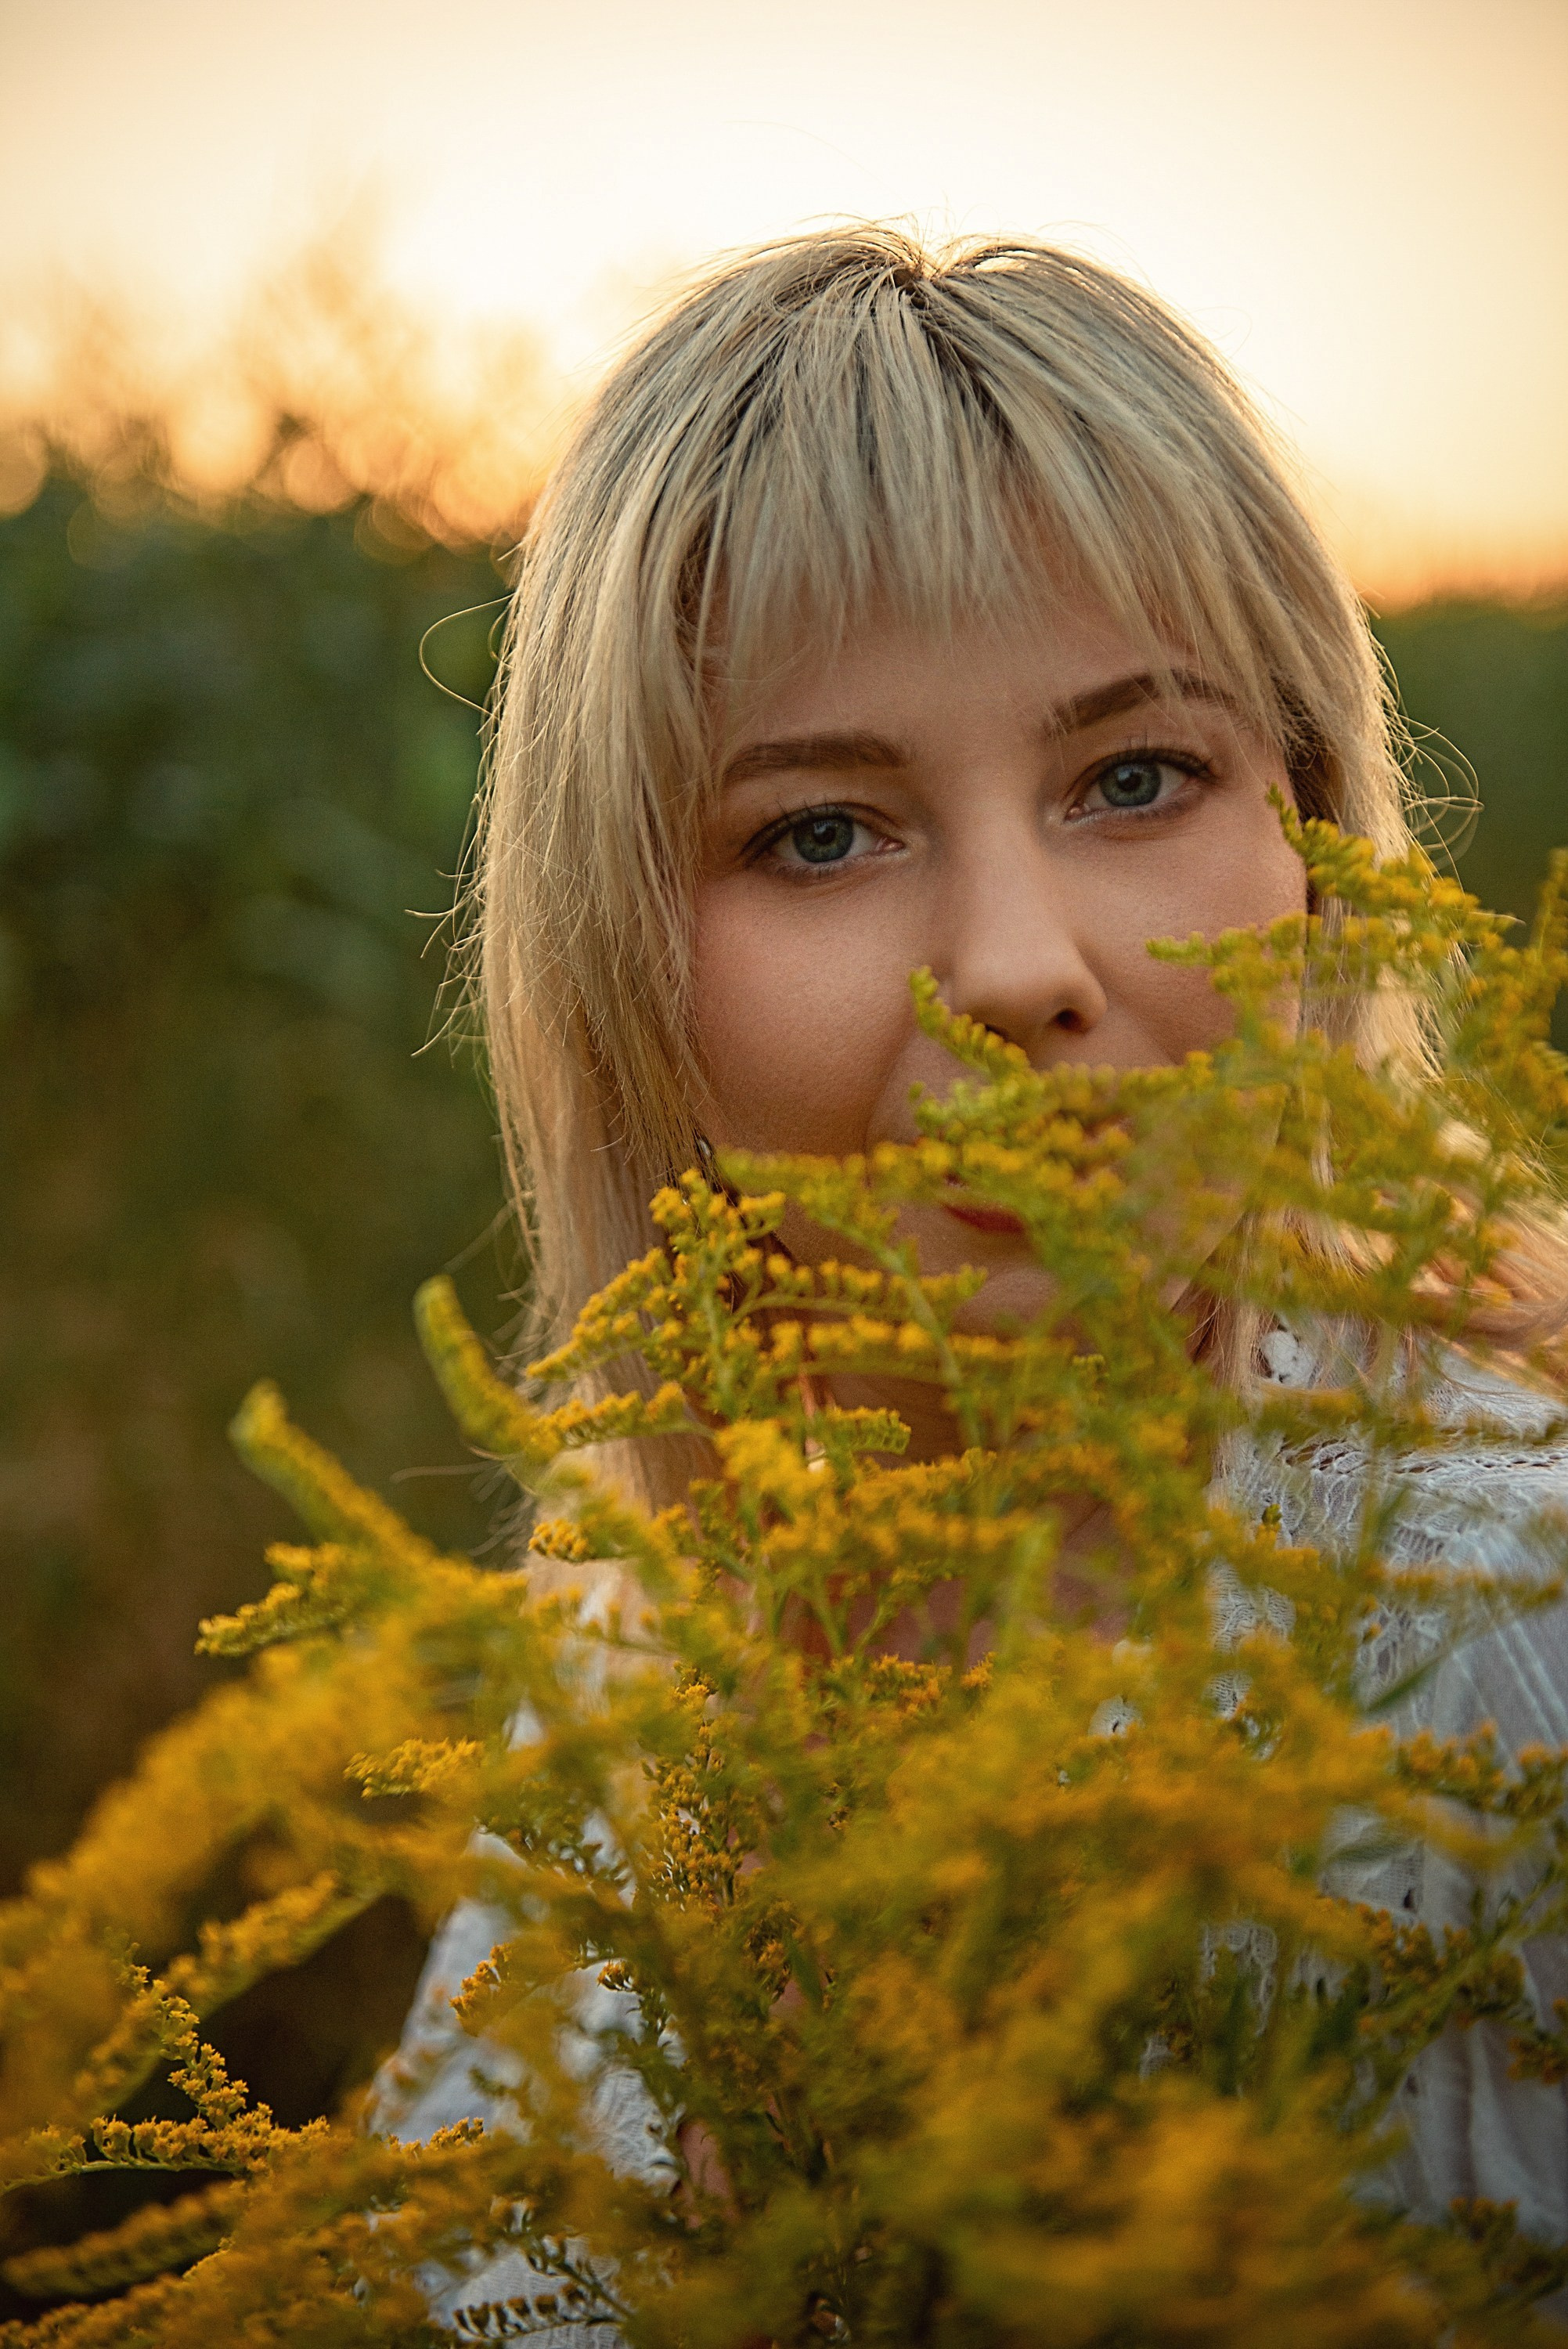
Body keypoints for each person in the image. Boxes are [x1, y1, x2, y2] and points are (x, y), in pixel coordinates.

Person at [377, 227, 1568, 2328]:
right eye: (822, 833)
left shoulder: (1510, 1632)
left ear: (1317, 842)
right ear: (621, 965)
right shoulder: (630, 1688)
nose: (1019, 966)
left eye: (1134, 778)